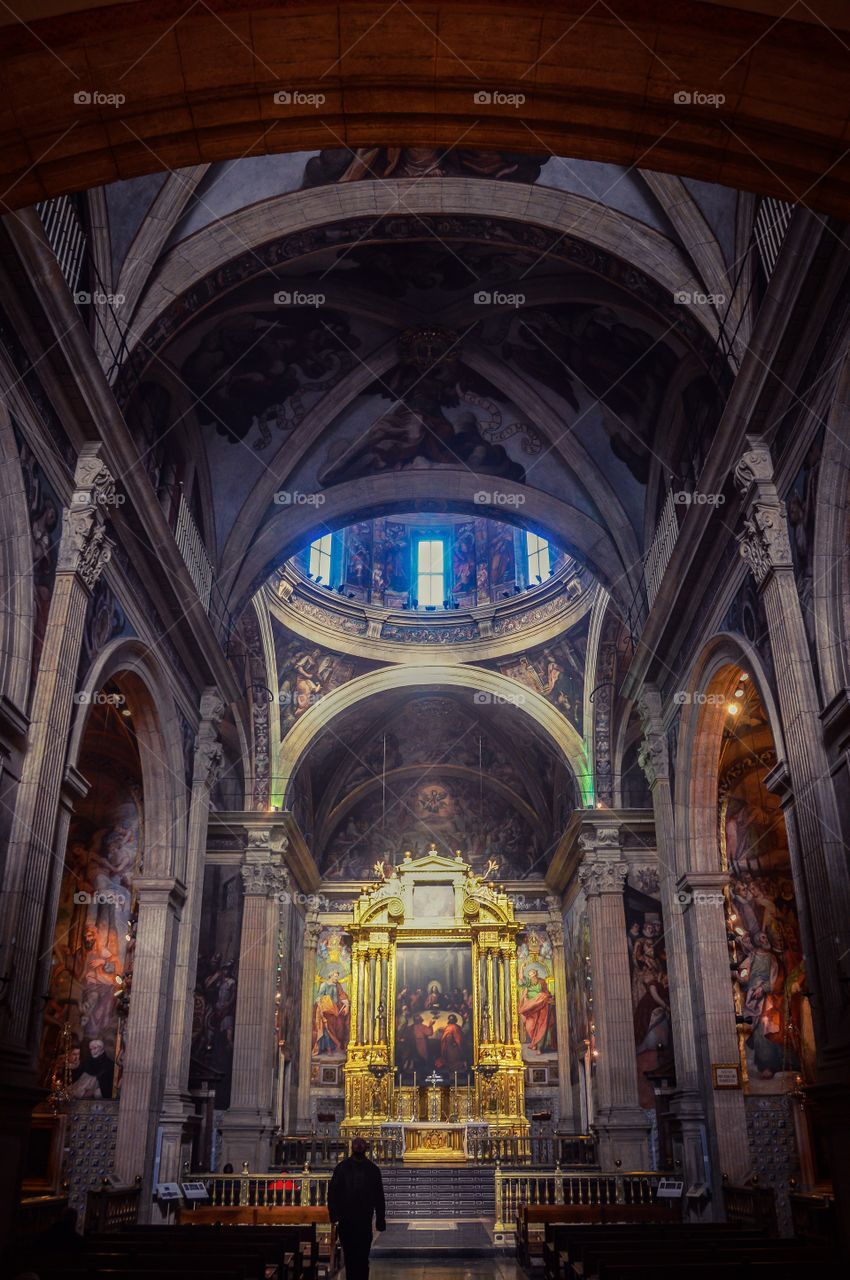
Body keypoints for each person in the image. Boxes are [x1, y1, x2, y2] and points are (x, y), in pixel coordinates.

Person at [328, 1137, 386, 1279]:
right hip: (348, 1220)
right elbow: (333, 1194)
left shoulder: (371, 1169)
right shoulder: (344, 1168)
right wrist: (334, 1215)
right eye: (357, 1145)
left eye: (361, 1145)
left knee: (361, 1257)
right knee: (351, 1257)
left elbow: (379, 1197)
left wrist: (380, 1219)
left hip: (362, 1220)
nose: (359, 1148)